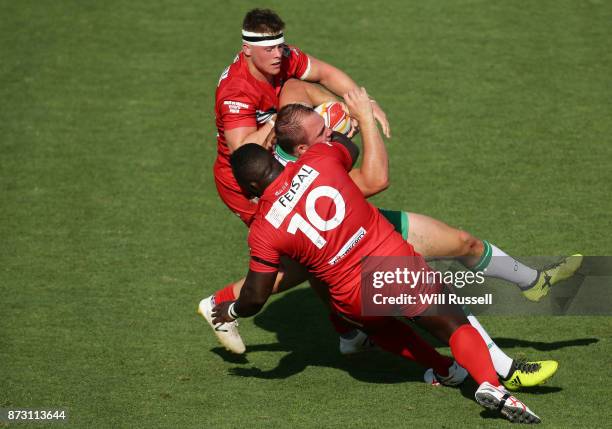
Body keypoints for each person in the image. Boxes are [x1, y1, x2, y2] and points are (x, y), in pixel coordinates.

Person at [202, 91, 580, 390]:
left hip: (363, 230)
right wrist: (363, 119)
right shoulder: (309, 162)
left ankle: (533, 282)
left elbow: (315, 76)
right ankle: (503, 370)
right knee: (440, 298)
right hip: (357, 243)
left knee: (464, 243)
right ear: (300, 148)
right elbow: (373, 182)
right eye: (324, 132)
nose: (333, 132)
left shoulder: (291, 125)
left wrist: (348, 97)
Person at [211, 134, 541, 423]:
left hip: (351, 295)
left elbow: (256, 294)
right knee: (454, 326)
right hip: (392, 262)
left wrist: (233, 311)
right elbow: (347, 147)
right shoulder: (318, 159)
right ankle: (493, 387)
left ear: (249, 186)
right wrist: (334, 125)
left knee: (382, 328)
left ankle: (444, 369)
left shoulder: (264, 230)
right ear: (273, 159)